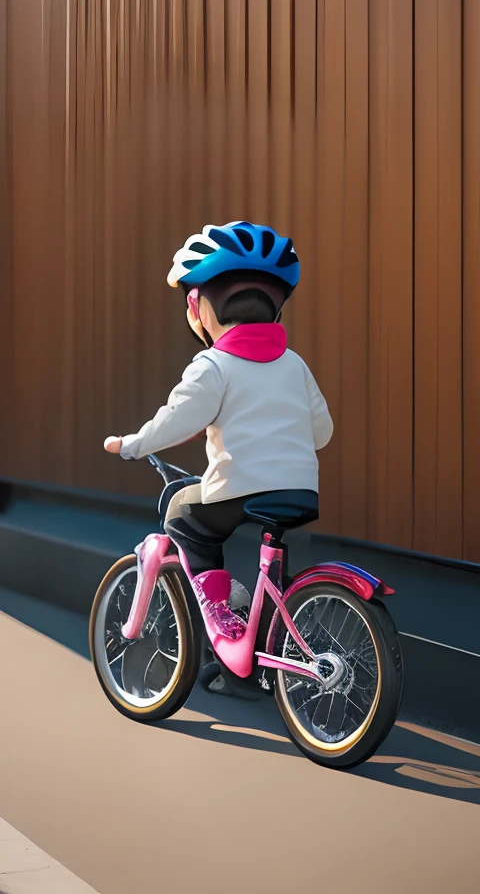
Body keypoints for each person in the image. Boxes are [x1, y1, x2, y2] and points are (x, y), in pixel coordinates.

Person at [103, 221, 333, 697]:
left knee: (184, 515)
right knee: (272, 567)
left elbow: (177, 419)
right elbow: (323, 433)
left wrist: (131, 444)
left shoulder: (213, 365)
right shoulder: (295, 364)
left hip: (240, 488)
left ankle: (221, 618)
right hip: (300, 490)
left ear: (199, 308)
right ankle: (258, 658)